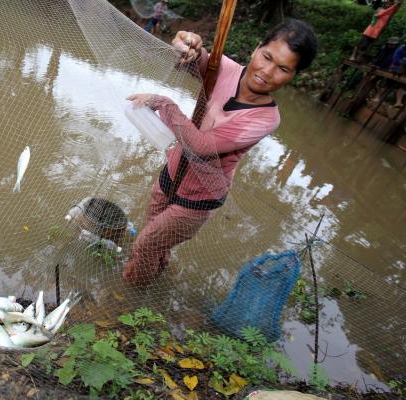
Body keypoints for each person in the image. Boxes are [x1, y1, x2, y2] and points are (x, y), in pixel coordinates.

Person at [123, 19, 318, 286]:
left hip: (197, 199)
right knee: (152, 238)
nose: (267, 71)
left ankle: (133, 293)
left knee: (145, 244)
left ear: (293, 75)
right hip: (171, 174)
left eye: (283, 68)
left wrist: (163, 103)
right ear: (256, 49)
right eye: (267, 57)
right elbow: (195, 60)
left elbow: (200, 145)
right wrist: (187, 46)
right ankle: (154, 274)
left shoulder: (265, 118)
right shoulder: (225, 69)